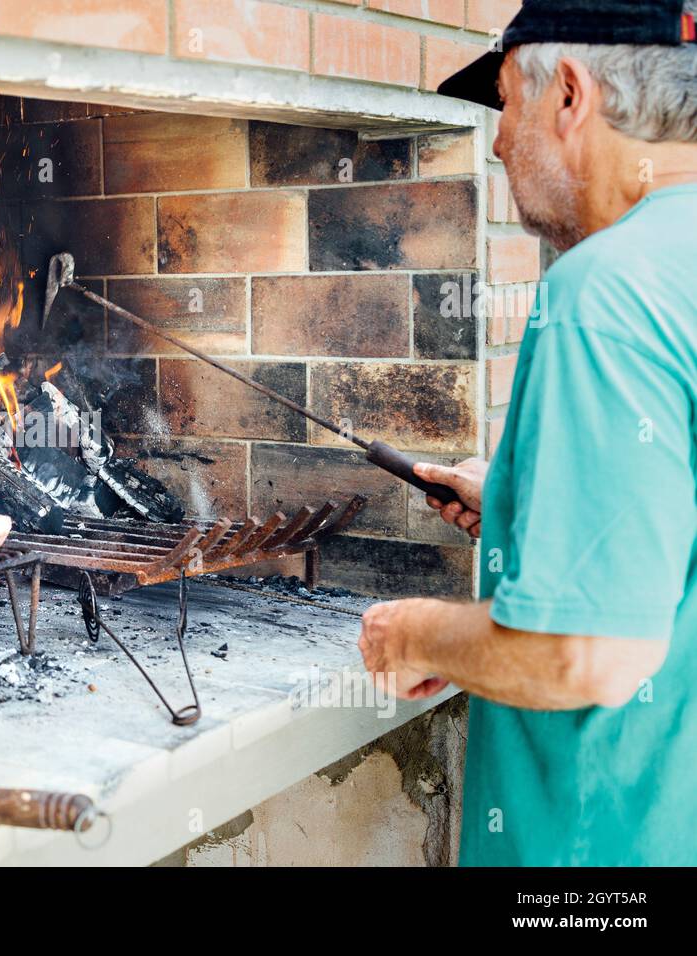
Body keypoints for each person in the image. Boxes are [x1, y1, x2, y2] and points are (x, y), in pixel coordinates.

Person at [358, 0, 697, 865]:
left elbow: (588, 654)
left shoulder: (603, 291)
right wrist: (517, 502)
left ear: (571, 95)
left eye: (507, 102)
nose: (501, 140)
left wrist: (415, 635)